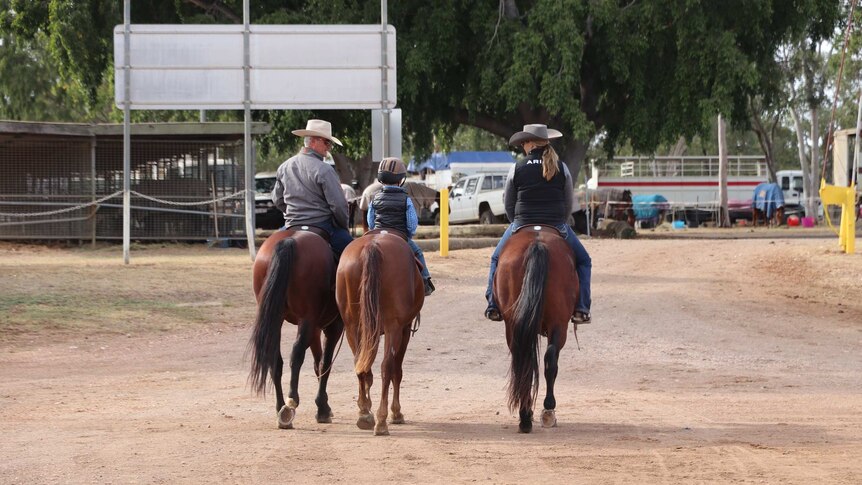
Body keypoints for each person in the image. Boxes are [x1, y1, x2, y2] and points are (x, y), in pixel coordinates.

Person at [484, 124, 592, 323]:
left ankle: (493, 304)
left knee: (496, 259)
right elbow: (568, 203)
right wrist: (560, 222)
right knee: (584, 261)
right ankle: (582, 308)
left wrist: (516, 223)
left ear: (531, 143)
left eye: (524, 142)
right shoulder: (563, 167)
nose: (523, 145)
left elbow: (509, 204)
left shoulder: (516, 168)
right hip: (556, 224)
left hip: (522, 223)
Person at [271, 119, 352, 257]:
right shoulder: (325, 170)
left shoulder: (284, 166)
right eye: (327, 142)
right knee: (355, 256)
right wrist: (343, 227)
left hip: (292, 225)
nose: (329, 147)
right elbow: (339, 205)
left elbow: (277, 200)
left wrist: (293, 214)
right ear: (314, 141)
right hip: (322, 226)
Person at [366, 158, 435, 296]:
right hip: (399, 236)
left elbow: (370, 222)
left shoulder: (375, 198)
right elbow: (411, 225)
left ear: (381, 179)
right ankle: (425, 281)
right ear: (401, 179)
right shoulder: (406, 199)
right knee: (418, 252)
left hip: (378, 235)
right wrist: (408, 234)